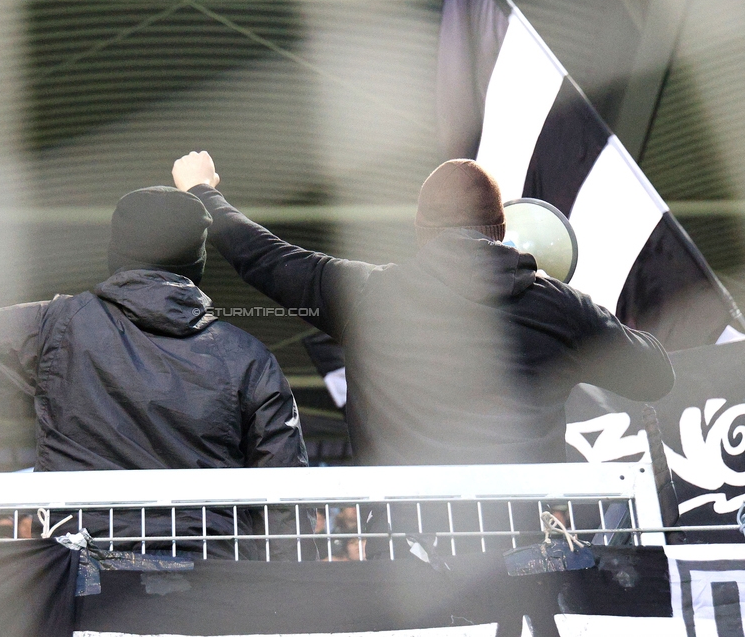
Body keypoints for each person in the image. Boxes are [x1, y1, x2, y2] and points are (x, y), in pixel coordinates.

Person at [0, 186, 309, 560]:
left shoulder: (58, 326)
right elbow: (287, 495)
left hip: (86, 572)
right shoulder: (248, 357)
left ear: (120, 250)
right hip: (212, 581)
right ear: (196, 261)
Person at [171, 152, 675, 468]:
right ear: (501, 229)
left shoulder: (367, 296)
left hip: (408, 551)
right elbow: (654, 376)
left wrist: (202, 191)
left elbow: (263, 256)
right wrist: (576, 308)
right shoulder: (558, 306)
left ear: (420, 231)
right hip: (523, 549)